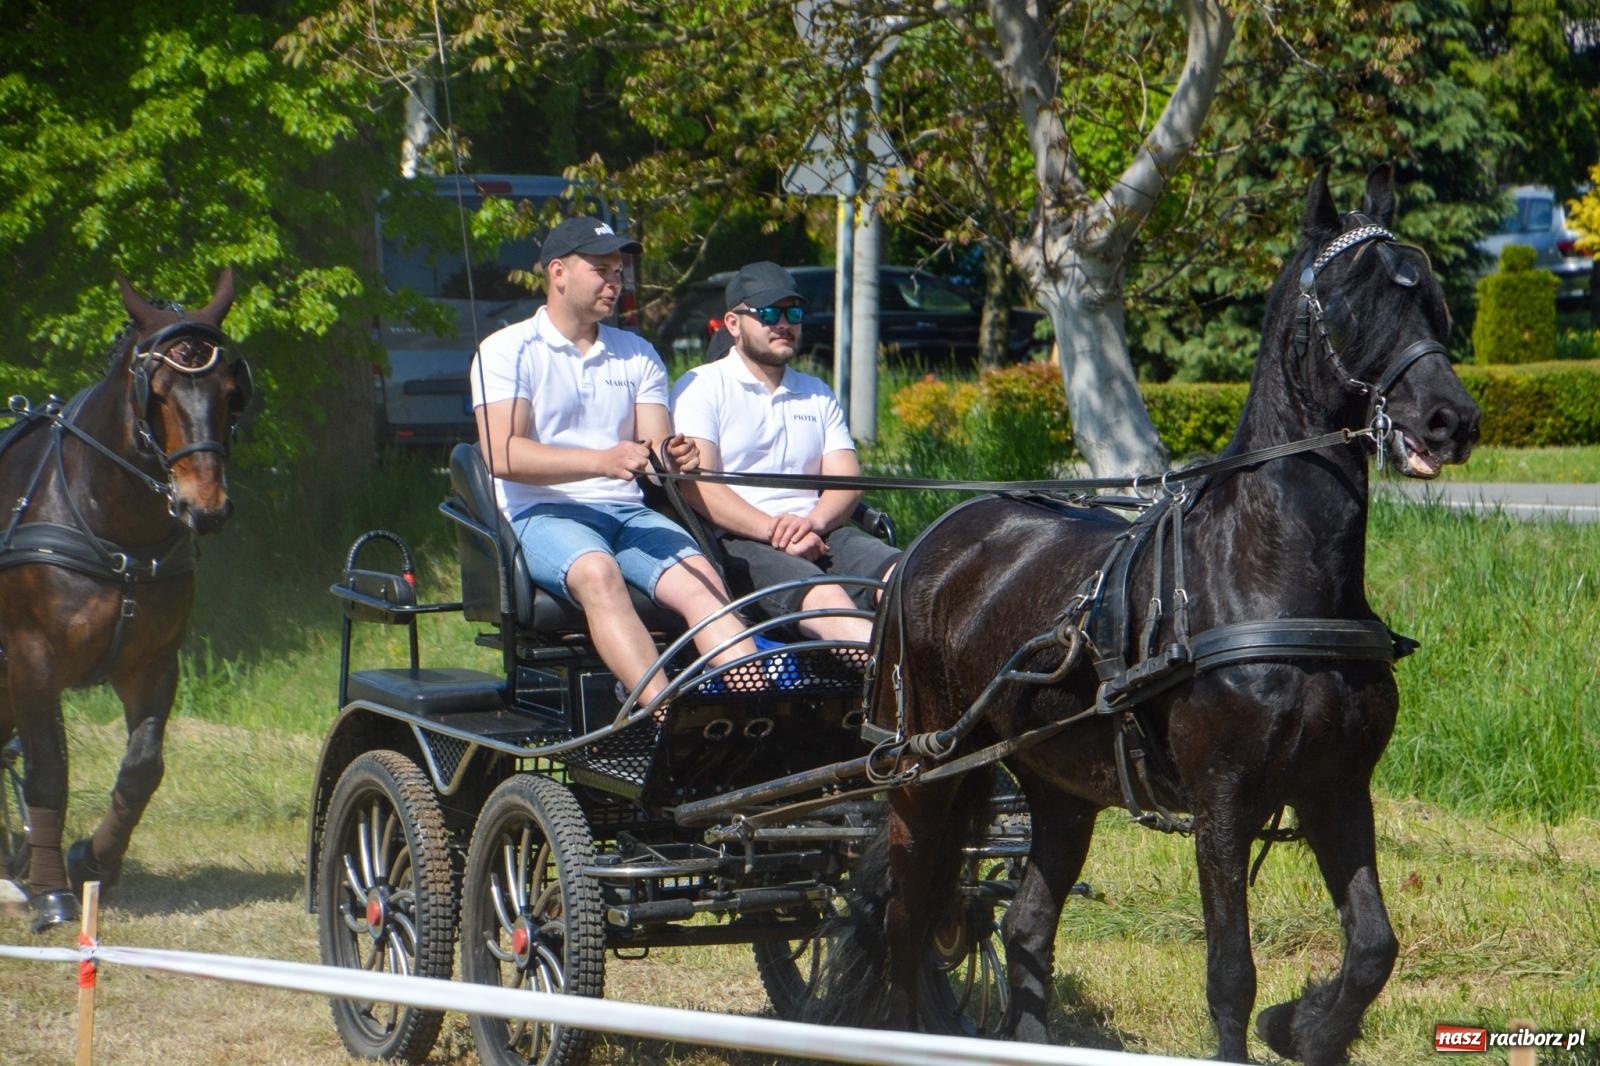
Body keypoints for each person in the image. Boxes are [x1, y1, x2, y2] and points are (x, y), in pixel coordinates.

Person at [470, 215, 758, 705]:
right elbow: (502, 454)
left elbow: (653, 450)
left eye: (618, 270)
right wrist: (602, 461)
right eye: (601, 268)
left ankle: (757, 706)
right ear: (557, 272)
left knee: (704, 579)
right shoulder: (507, 350)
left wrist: (673, 454)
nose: (615, 280)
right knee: (597, 573)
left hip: (626, 513)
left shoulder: (638, 354)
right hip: (541, 512)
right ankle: (663, 717)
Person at [671, 261, 898, 644]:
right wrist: (774, 531)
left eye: (793, 313)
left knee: (907, 578)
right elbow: (698, 487)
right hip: (741, 542)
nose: (783, 323)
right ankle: (899, 690)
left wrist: (812, 523)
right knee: (829, 599)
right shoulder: (702, 386)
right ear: (732, 323)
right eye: (768, 313)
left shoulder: (816, 391)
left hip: (820, 530)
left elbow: (847, 481)